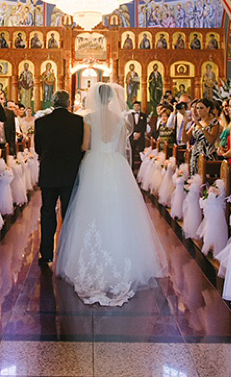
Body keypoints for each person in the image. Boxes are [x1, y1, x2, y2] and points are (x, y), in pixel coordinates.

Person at [54, 83, 167, 306]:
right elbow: (121, 148)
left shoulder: (89, 119)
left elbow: (85, 145)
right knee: (117, 211)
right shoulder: (121, 120)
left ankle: (91, 263)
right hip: (116, 165)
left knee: (91, 210)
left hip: (94, 162)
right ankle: (122, 259)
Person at [35, 91, 86, 268]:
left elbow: (38, 149)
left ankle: (46, 254)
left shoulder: (41, 122)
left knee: (47, 212)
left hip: (49, 174)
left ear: (52, 102)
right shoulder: (78, 122)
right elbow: (82, 148)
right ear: (68, 102)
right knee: (69, 214)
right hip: (70, 174)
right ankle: (68, 254)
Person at [188, 98, 219, 175]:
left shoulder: (214, 122)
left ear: (208, 109)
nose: (198, 110)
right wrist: (185, 122)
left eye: (201, 108)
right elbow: (184, 138)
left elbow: (211, 140)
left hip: (207, 155)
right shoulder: (196, 123)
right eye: (197, 108)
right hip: (196, 155)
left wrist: (200, 126)